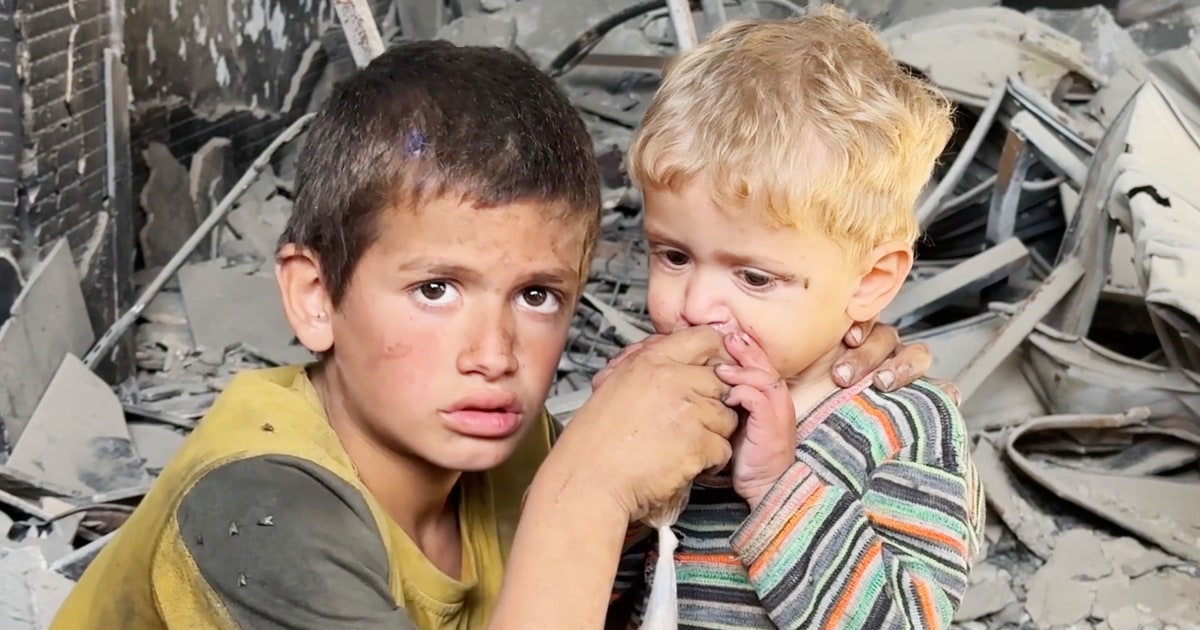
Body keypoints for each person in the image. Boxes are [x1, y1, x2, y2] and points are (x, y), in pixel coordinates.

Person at [51, 39, 937, 630]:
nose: (494, 354)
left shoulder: (505, 456)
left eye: (540, 296)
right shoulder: (258, 511)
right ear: (315, 298)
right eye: (435, 288)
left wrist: (822, 353)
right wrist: (586, 487)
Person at [604, 8, 985, 629]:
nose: (696, 306)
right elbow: (600, 597)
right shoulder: (672, 400)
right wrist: (611, 472)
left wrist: (777, 485)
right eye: (673, 256)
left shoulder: (904, 429)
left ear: (870, 282)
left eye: (754, 277)